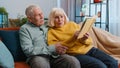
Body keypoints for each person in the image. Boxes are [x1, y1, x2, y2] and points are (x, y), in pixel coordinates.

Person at [47, 7, 118, 68]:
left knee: (113, 63)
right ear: (52, 19)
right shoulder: (51, 32)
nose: (60, 19)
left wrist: (84, 39)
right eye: (56, 17)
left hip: (90, 49)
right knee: (101, 66)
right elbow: (58, 48)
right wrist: (73, 38)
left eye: (61, 16)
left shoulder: (72, 24)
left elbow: (90, 41)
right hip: (76, 54)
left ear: (64, 17)